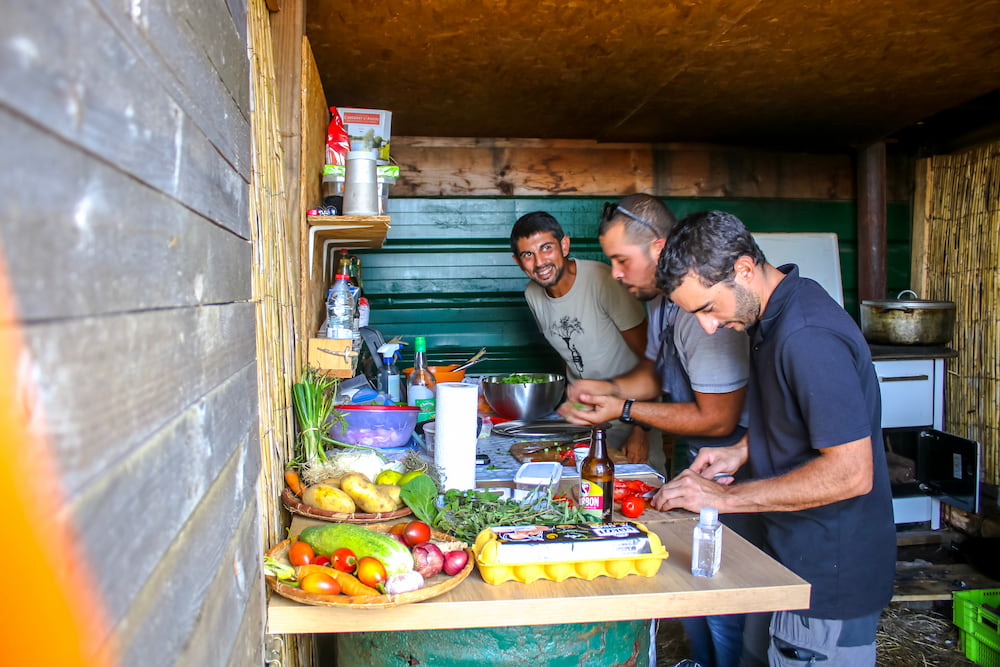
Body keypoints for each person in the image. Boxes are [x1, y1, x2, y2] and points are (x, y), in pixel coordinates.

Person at [654, 210, 896, 666]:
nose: (707, 326)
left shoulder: (807, 336)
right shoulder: (772, 313)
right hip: (784, 559)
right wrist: (739, 452)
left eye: (707, 308)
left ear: (744, 269)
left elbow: (851, 472)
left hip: (825, 579)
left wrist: (725, 499)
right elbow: (804, 422)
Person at [558, 194, 756, 667]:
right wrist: (604, 390)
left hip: (736, 468)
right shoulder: (664, 304)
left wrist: (624, 408)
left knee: (721, 599)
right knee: (693, 590)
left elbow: (718, 419)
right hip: (701, 464)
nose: (617, 273)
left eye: (622, 261)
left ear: (660, 248)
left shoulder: (697, 314)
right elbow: (653, 374)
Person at [510, 211, 647, 452]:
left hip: (630, 416)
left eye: (546, 248)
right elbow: (567, 352)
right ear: (518, 262)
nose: (540, 262)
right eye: (528, 255)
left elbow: (653, 358)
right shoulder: (532, 293)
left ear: (564, 245)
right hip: (582, 424)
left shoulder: (603, 280)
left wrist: (641, 429)